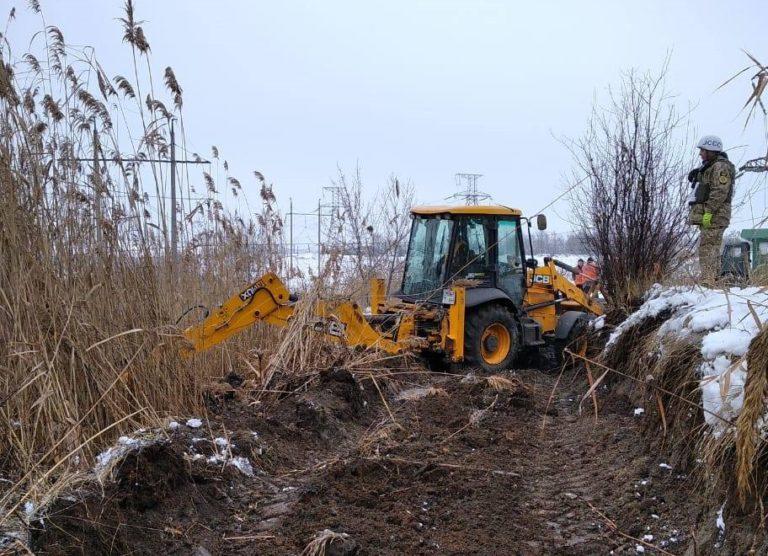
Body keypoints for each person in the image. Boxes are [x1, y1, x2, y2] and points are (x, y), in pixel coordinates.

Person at [687, 135, 735, 284]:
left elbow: (719, 192)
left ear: (711, 150)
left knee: (708, 248)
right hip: (712, 214)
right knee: (709, 246)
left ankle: (708, 281)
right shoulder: (711, 166)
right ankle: (711, 279)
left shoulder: (720, 167)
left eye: (702, 150)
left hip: (715, 215)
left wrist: (708, 212)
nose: (700, 153)